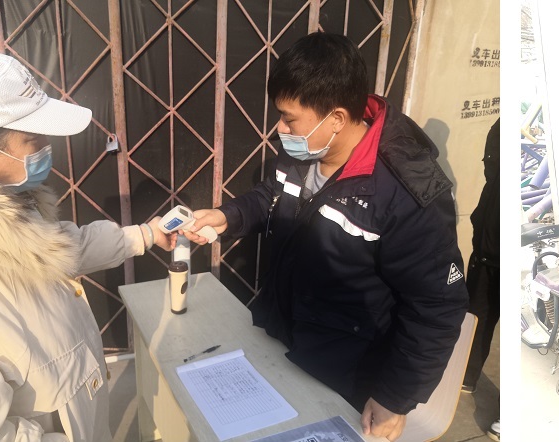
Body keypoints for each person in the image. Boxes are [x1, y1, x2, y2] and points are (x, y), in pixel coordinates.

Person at [182, 33, 468, 441]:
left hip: (347, 372)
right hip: (283, 340)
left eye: (289, 118)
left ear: (335, 118)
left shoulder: (405, 193)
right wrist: (228, 216)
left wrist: (394, 397)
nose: (280, 129)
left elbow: (436, 307)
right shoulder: (305, 149)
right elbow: (273, 196)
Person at [0, 49, 176, 441]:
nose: (46, 147)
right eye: (32, 138)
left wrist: (147, 234)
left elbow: (62, 248)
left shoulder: (4, 204)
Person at [461, 119, 500, 440]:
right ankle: (465, 376)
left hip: (502, 254)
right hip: (486, 257)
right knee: (476, 320)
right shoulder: (500, 129)